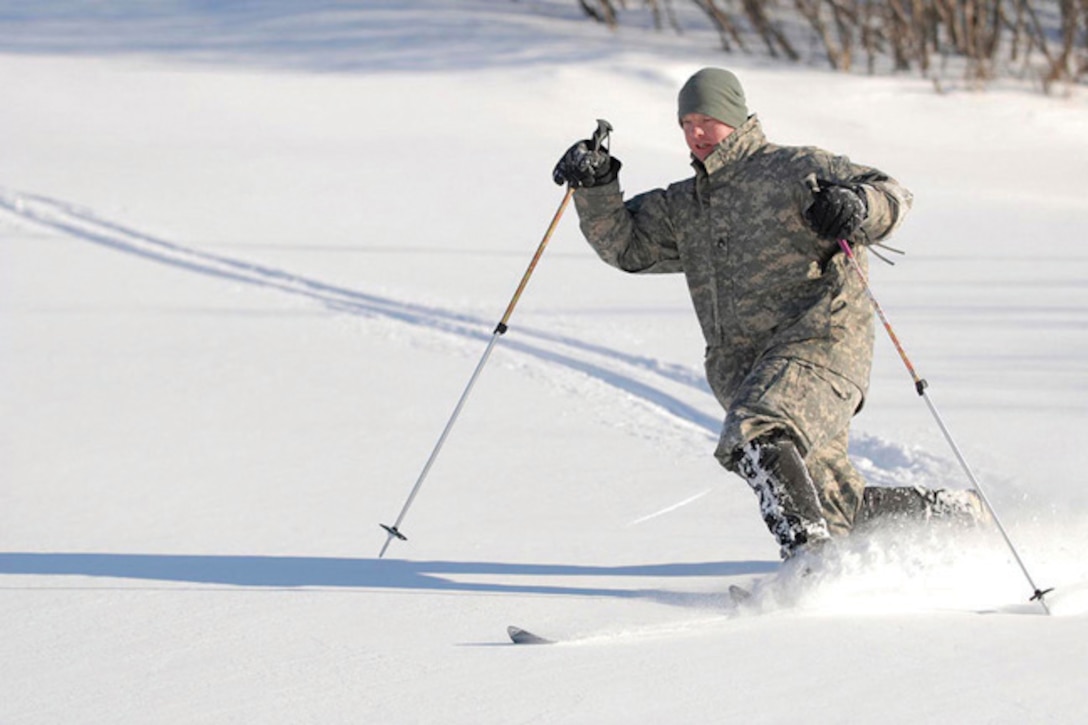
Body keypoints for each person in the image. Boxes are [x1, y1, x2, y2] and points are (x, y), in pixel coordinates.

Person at [553, 68, 984, 561]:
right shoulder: (686, 204)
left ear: (735, 118)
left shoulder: (795, 169)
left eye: (707, 120)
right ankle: (958, 517)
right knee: (836, 504)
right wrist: (597, 186)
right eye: (686, 123)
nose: (696, 133)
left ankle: (810, 564)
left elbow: (891, 194)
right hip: (747, 368)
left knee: (757, 429)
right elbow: (627, 247)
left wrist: (856, 206)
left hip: (822, 343)